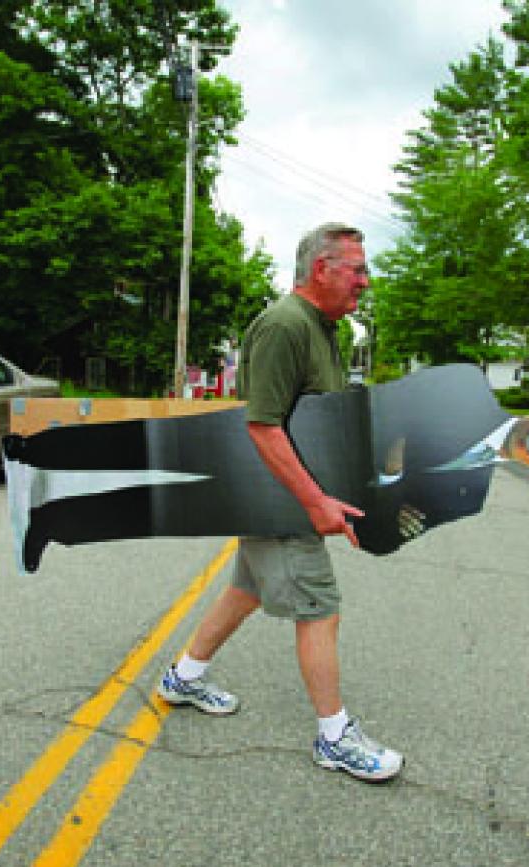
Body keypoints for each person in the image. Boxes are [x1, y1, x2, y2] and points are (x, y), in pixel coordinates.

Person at [156, 222, 404, 782]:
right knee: (320, 606)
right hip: (281, 498)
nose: (365, 281)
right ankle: (334, 737)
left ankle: (185, 677)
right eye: (357, 269)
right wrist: (316, 501)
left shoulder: (324, 328)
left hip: (284, 494)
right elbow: (263, 426)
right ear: (323, 269)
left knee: (246, 589)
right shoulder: (283, 326)